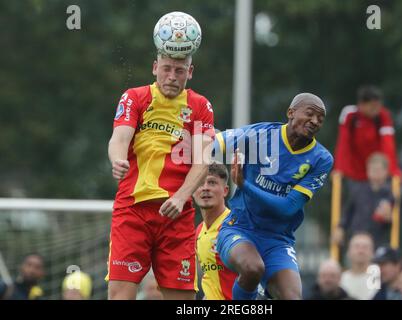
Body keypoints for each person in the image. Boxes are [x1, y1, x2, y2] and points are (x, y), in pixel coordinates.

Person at [106, 30, 215, 298]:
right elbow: (119, 138)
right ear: (155, 68)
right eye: (166, 69)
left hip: (176, 217)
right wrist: (117, 159)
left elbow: (203, 159)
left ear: (190, 72)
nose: (172, 76)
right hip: (132, 211)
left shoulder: (201, 106)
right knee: (119, 295)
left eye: (180, 70)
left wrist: (180, 197)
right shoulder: (134, 97)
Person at [215, 93, 334, 300]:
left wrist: (244, 185)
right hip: (240, 228)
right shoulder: (259, 135)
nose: (315, 121)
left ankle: (263, 294)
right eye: (310, 114)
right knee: (253, 268)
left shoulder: (321, 159)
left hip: (278, 240)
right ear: (290, 112)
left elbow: (288, 208)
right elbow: (214, 143)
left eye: (320, 119)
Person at [333, 85, 402, 192]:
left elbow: (388, 144)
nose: (376, 110)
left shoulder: (383, 116)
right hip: (355, 173)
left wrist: (393, 170)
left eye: (378, 106)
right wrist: (339, 168)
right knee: (359, 205)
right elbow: (343, 143)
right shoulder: (350, 115)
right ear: (361, 105)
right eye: (372, 106)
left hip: (376, 175)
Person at [193, 163, 238, 300]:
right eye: (200, 183)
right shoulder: (199, 230)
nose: (205, 188)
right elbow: (209, 276)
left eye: (212, 183)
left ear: (225, 190)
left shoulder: (236, 225)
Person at [333, 153, 395, 248]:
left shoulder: (389, 195)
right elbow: (348, 212)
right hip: (356, 237)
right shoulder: (358, 190)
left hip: (377, 241)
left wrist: (387, 217)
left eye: (378, 170)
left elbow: (390, 223)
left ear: (385, 172)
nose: (375, 173)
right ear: (367, 171)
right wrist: (340, 228)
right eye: (372, 169)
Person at [340, 233, 379, 300]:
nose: (361, 251)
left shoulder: (381, 280)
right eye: (356, 247)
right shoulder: (340, 280)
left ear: (373, 253)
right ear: (348, 252)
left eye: (365, 247)